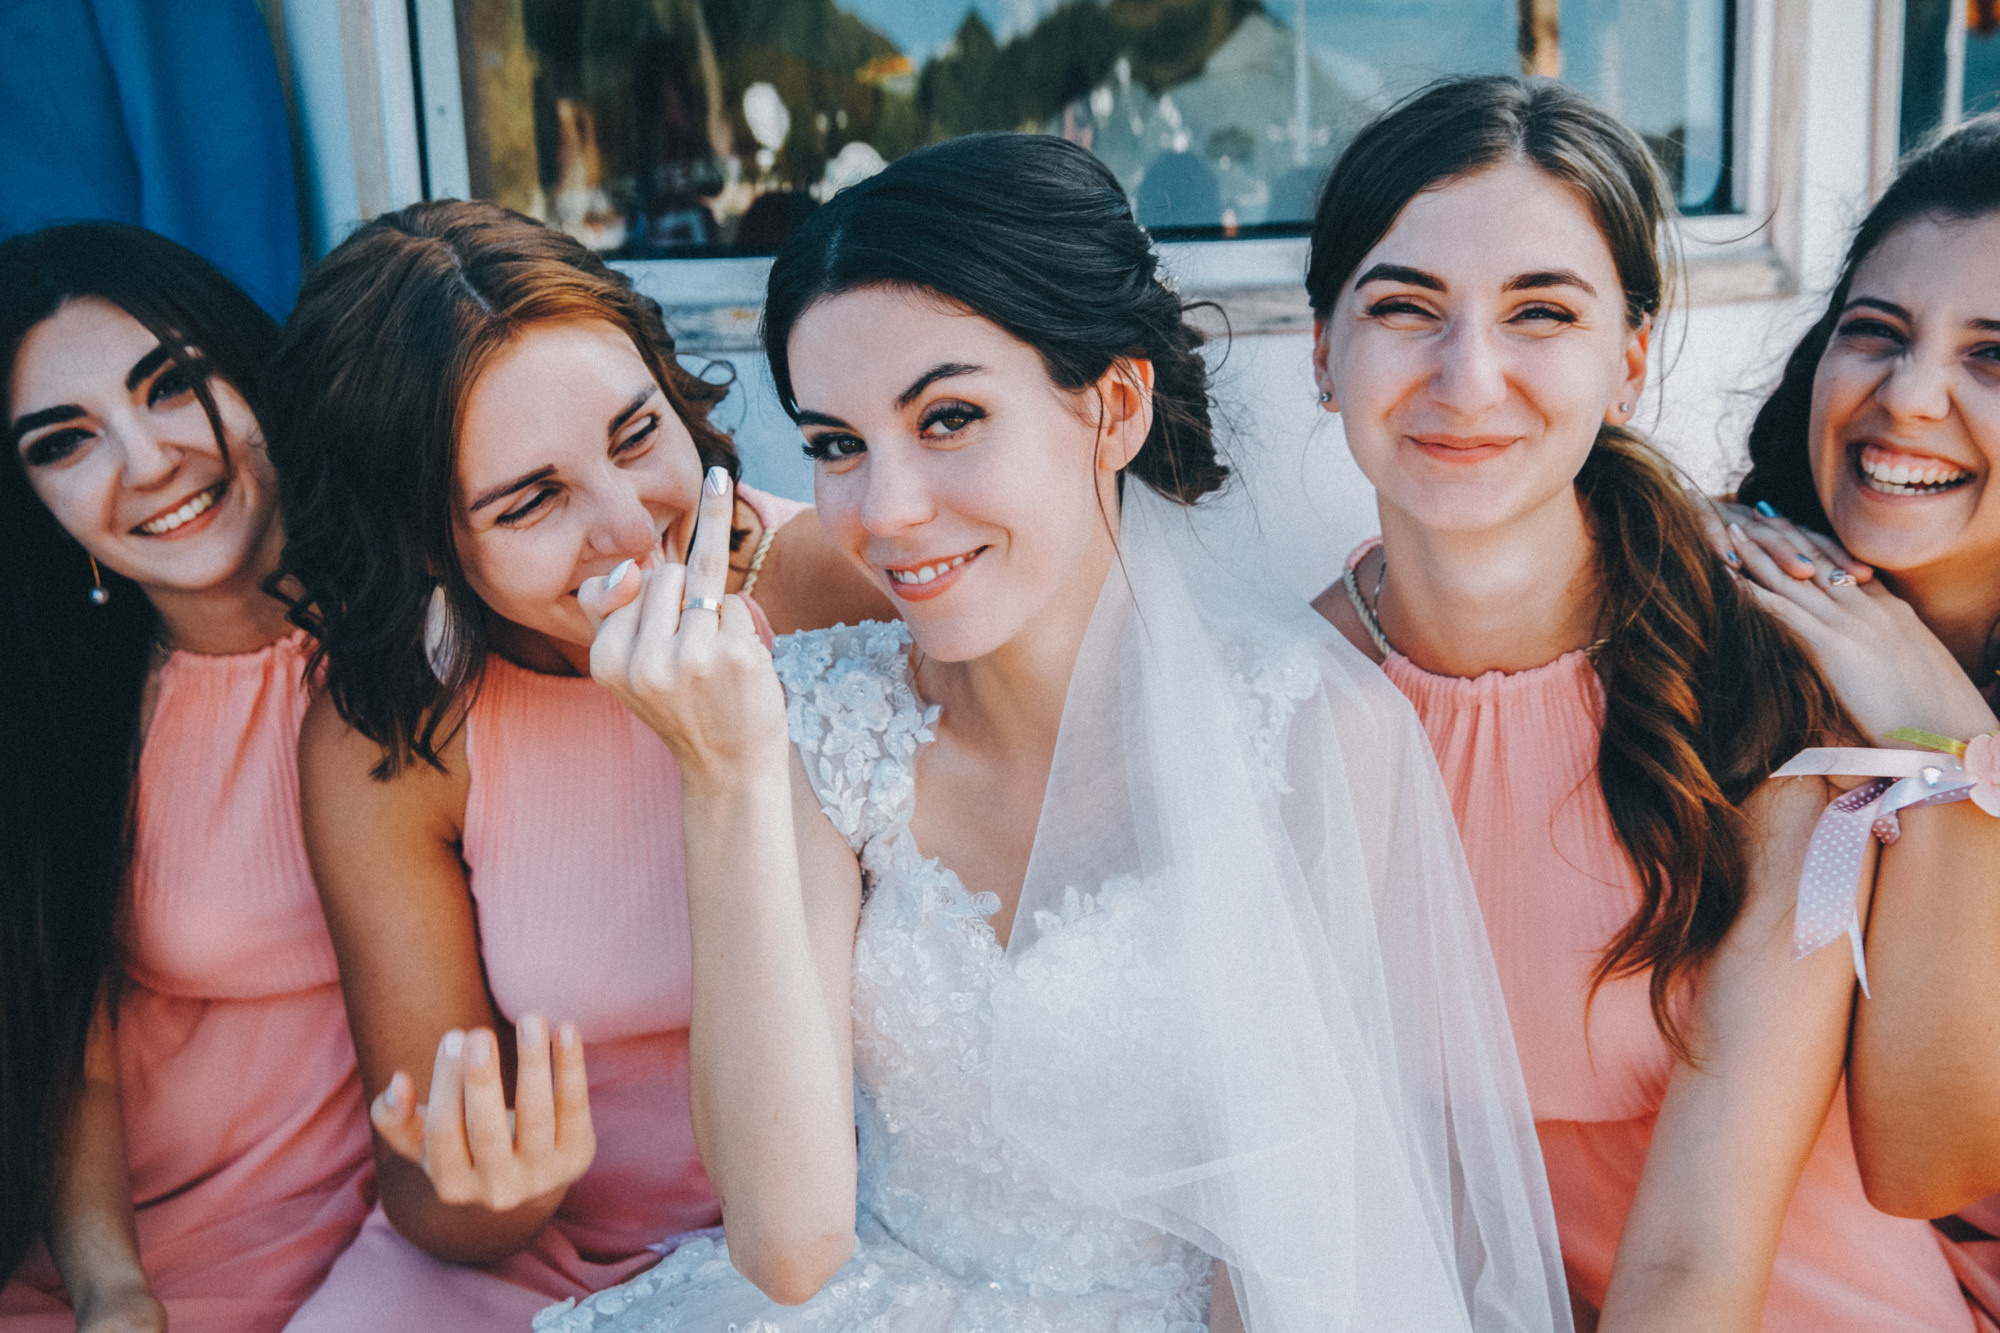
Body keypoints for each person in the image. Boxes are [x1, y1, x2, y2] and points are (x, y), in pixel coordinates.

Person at [542, 131, 1570, 1333]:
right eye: (835, 444)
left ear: (1114, 405)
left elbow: (1297, 1253)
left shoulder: (1304, 735)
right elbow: (787, 1244)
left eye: (949, 418)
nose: (885, 510)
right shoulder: (814, 719)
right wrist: (721, 776)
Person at [1306, 76, 1987, 1330]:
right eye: (1404, 305)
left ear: (1627, 362)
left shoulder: (1779, 704)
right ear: (1319, 350)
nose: (1466, 375)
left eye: (1538, 312)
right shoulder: (1282, 707)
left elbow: (1834, 1199)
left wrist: (1954, 745)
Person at [266, 200, 888, 1331]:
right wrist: (497, 1188)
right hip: (539, 1261)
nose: (627, 522)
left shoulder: (841, 585)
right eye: (532, 499)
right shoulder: (399, 732)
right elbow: (426, 1189)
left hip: (845, 1233)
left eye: (636, 432)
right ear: (425, 541)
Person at [0, 223, 373, 1332]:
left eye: (171, 383)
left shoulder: (423, 631)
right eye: (64, 444)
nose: (150, 459)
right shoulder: (62, 724)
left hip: (417, 1240)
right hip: (145, 1262)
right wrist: (115, 1293)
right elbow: (76, 1042)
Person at [1722, 112, 2000, 1309]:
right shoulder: (1725, 616)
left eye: (1994, 357)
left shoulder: (1930, 710)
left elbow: (1927, 1160)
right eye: (1872, 333)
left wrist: (1945, 742)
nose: (1909, 395)